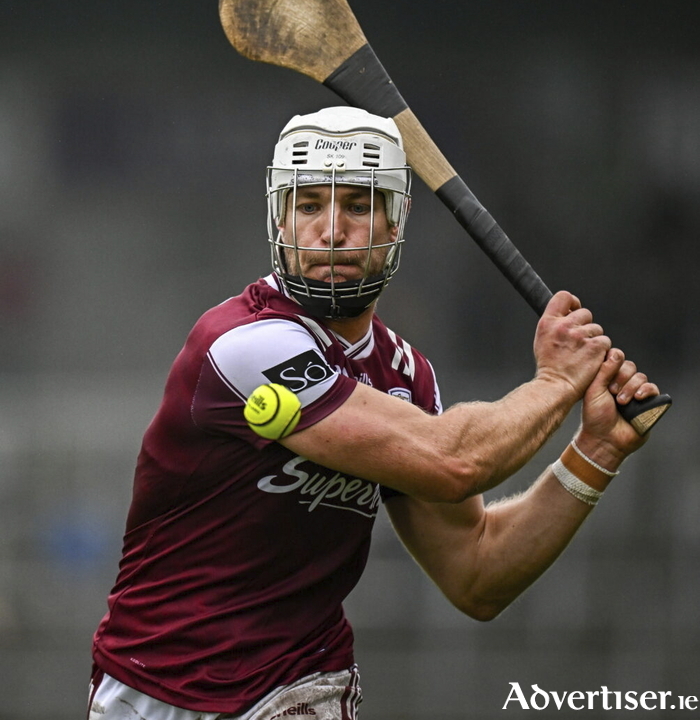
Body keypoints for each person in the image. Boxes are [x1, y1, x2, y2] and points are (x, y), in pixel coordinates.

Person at [88, 106, 659, 720]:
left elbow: (478, 571)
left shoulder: (405, 377)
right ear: (279, 214)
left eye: (358, 205)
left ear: (395, 218)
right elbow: (452, 461)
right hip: (155, 694)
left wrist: (596, 450)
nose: (331, 229)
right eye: (309, 205)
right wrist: (555, 381)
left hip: (298, 688)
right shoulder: (244, 343)